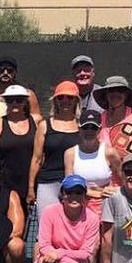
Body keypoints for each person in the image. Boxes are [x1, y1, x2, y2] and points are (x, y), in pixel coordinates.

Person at [34, 175, 100, 263]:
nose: (74, 196)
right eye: (69, 192)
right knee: (45, 262)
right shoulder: (49, 212)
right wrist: (65, 261)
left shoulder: (93, 218)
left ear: (84, 195)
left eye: (78, 192)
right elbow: (44, 245)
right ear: (62, 194)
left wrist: (60, 253)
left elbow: (86, 252)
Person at [0, 85, 40, 211]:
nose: (15, 103)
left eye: (19, 99)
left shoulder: (37, 121)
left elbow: (42, 153)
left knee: (32, 226)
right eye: (10, 100)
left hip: (32, 183)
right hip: (5, 184)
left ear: (26, 101)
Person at [34, 81, 82, 217]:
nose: (65, 101)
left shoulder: (83, 126)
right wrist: (31, 188)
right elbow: (36, 159)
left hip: (75, 185)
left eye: (70, 98)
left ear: (76, 101)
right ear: (55, 101)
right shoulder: (44, 125)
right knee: (46, 226)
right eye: (61, 98)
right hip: (48, 183)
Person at [63, 110, 120, 214]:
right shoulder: (70, 153)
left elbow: (124, 179)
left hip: (106, 204)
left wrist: (113, 189)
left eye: (93, 128)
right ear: (79, 129)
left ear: (99, 129)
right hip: (79, 203)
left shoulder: (110, 152)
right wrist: (96, 193)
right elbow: (69, 185)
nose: (89, 131)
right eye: (85, 127)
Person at [94, 75, 132, 162]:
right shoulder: (99, 118)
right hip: (105, 173)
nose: (115, 94)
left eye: (120, 90)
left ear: (126, 95)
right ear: (106, 94)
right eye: (111, 90)